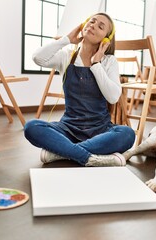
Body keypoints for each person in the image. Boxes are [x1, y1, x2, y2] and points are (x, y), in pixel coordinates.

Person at [24, 12, 135, 167]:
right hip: (68, 129)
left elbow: (113, 97)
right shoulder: (67, 56)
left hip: (101, 130)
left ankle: (61, 153)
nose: (93, 26)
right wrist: (67, 39)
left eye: (100, 26)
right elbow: (38, 58)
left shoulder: (109, 61)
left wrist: (96, 64)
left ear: (106, 39)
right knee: (31, 127)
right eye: (91, 21)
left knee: (128, 134)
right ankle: (89, 156)